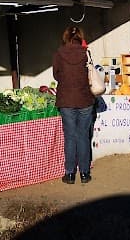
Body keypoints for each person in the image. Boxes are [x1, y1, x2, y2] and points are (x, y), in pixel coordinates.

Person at [52, 24, 95, 184]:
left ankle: (70, 174)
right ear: (80, 37)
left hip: (66, 100)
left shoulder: (58, 53)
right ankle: (84, 173)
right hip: (85, 99)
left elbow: (56, 75)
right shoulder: (86, 53)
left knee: (70, 137)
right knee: (83, 136)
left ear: (66, 37)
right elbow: (90, 73)